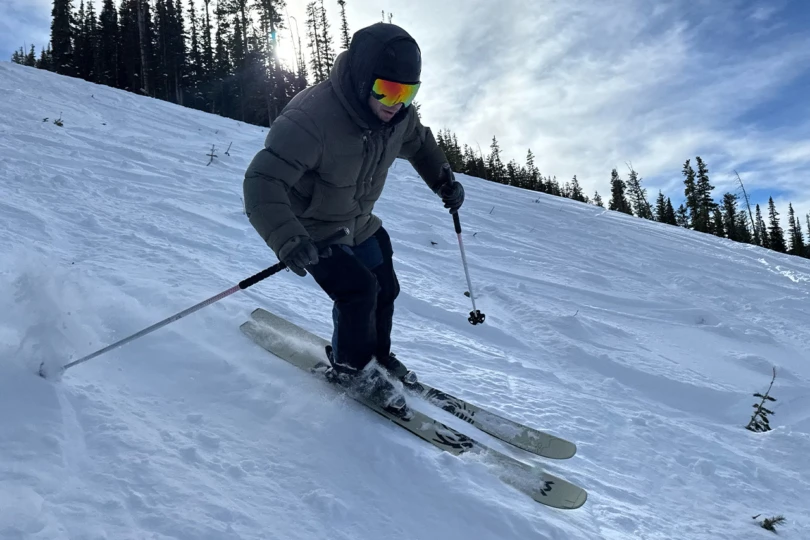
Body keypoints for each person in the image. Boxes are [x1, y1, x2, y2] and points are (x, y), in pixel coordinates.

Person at [243, 22, 464, 410]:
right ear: (364, 81)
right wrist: (289, 239)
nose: (396, 102)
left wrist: (442, 180)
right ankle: (351, 367)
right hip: (311, 226)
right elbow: (262, 181)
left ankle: (377, 355)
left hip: (357, 219)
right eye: (388, 90)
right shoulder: (311, 120)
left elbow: (421, 144)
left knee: (384, 284)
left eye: (407, 92)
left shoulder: (398, 119)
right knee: (357, 290)